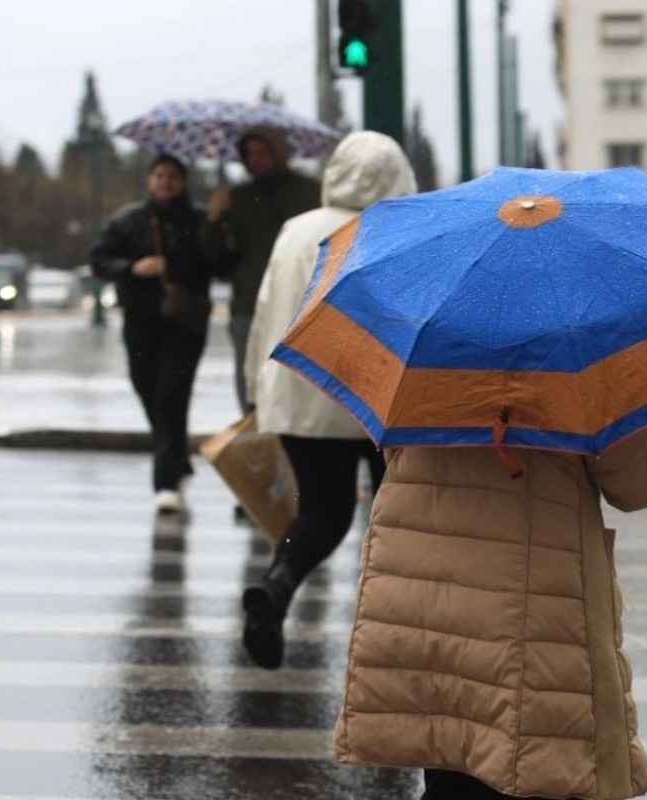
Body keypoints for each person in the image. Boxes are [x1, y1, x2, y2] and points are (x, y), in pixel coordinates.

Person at [334, 428, 647, 800]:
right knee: (536, 767)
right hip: (532, 603)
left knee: (454, 762)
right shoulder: (571, 377)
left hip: (430, 587)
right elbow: (641, 483)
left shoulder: (429, 377)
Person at [240, 131, 417, 670]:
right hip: (377, 399)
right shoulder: (398, 229)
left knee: (322, 510)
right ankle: (394, 629)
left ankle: (278, 584)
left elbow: (265, 310)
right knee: (399, 519)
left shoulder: (296, 231)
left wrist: (255, 389)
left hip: (301, 393)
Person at [90, 155, 217, 514]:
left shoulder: (200, 219)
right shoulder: (128, 220)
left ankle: (165, 481)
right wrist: (132, 267)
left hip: (185, 323)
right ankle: (179, 459)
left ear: (184, 181)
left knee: (170, 396)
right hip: (141, 321)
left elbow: (218, 263)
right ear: (149, 180)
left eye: (174, 176)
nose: (166, 183)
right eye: (160, 176)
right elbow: (98, 260)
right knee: (147, 389)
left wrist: (217, 224)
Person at [203, 126, 321, 414]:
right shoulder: (236, 199)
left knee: (302, 386)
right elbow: (217, 262)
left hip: (302, 304)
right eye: (249, 154)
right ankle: (258, 445)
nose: (256, 160)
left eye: (262, 152)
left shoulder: (310, 192)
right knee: (252, 382)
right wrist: (215, 220)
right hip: (250, 304)